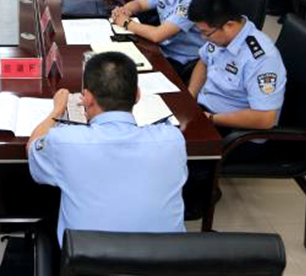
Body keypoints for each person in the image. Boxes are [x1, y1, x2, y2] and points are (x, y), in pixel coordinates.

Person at [28, 52, 187, 246]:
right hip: (166, 259)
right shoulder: (172, 139)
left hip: (86, 259)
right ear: (137, 95)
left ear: (87, 98)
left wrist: (58, 109)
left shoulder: (64, 141)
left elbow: (32, 148)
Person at [187, 0, 286, 134]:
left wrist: (211, 119)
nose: (203, 38)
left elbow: (265, 118)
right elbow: (204, 61)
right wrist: (190, 96)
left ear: (229, 25)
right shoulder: (220, 36)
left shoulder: (261, 59)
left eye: (206, 33)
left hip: (233, 130)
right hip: (205, 110)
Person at [111, 0, 205, 80]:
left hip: (180, 60)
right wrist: (125, 10)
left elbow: (158, 35)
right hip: (161, 49)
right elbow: (140, 4)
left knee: (125, 75)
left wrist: (126, 22)